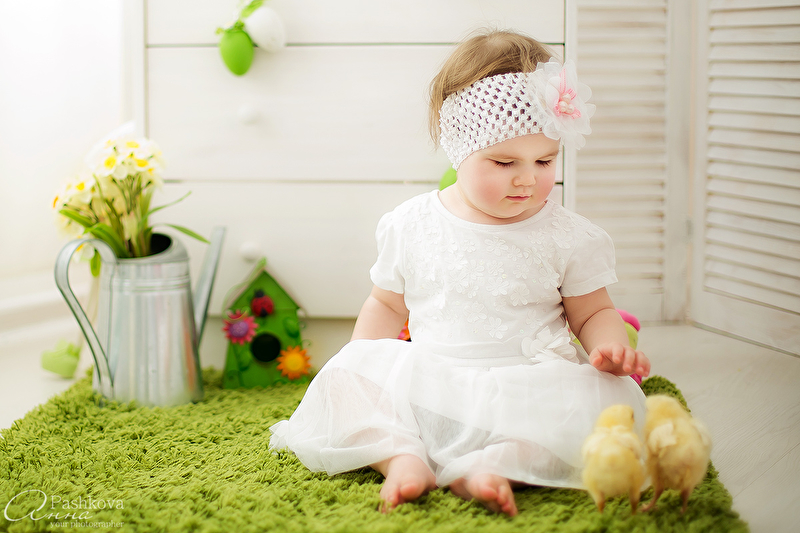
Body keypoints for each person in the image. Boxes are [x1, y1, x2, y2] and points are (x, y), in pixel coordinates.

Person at [270, 29, 651, 516]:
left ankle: (497, 463)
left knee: (609, 402)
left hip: (529, 389)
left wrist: (608, 348)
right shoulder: (412, 224)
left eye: (544, 160)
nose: (527, 178)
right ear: (459, 149)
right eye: (504, 161)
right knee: (344, 380)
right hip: (434, 388)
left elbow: (592, 311)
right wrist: (364, 364)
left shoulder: (566, 235)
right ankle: (402, 457)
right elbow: (385, 303)